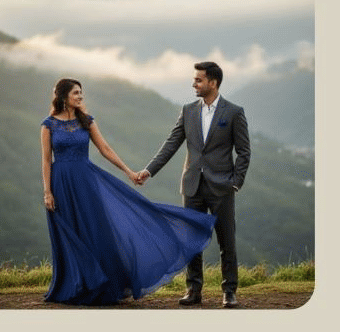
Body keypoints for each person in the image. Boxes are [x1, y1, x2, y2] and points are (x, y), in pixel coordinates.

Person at [41, 78, 216, 305]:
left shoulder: (87, 121)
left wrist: (129, 172)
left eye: (81, 93)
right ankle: (74, 286)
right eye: (76, 93)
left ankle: (101, 284)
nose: (80, 97)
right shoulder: (48, 125)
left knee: (94, 231)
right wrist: (47, 191)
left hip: (86, 182)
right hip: (61, 184)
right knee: (69, 233)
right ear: (63, 96)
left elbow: (105, 149)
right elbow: (46, 160)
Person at [136, 61, 250, 308]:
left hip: (222, 187)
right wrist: (149, 170)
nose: (193, 83)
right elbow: (171, 144)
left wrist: (236, 183)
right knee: (191, 240)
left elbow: (244, 152)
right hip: (192, 186)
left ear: (213, 82)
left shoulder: (233, 112)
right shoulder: (188, 110)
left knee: (226, 242)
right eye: (195, 79)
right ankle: (193, 290)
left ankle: (229, 292)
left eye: (198, 80)